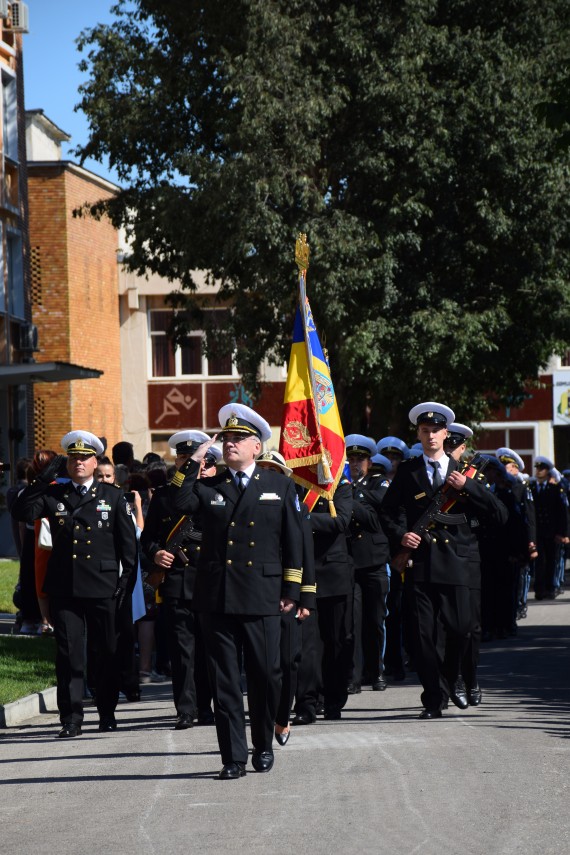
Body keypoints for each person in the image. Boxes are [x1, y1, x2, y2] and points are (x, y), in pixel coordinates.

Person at [169, 404, 303, 779]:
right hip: (218, 597)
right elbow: (178, 501)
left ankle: (262, 744)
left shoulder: (279, 485)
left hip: (263, 596)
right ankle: (232, 758)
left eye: (238, 439)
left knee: (265, 675)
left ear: (256, 447)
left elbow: (294, 541)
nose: (229, 444)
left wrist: (293, 589)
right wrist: (195, 459)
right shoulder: (210, 485)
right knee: (224, 680)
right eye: (225, 439)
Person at [380, 402, 505, 719]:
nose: (431, 435)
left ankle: (453, 678)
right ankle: (434, 698)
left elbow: (498, 514)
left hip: (457, 563)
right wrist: (400, 537)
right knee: (423, 637)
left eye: (436, 430)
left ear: (445, 434)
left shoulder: (464, 474)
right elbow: (387, 512)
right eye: (425, 430)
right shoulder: (408, 472)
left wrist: (470, 488)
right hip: (420, 563)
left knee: (461, 629)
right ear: (419, 434)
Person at [10, 430, 138, 738]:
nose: (78, 462)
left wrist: (125, 586)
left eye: (84, 458)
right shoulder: (55, 495)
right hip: (65, 587)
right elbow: (22, 511)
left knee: (106, 651)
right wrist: (41, 481)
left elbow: (128, 549)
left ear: (95, 462)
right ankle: (71, 717)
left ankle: (106, 711)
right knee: (68, 653)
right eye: (73, 458)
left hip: (103, 586)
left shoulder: (114, 496)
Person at [141, 430, 218, 729]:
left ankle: (207, 706)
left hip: (209, 580)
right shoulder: (163, 497)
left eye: (197, 459)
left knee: (209, 649)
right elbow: (147, 539)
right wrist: (156, 554)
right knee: (182, 650)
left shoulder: (216, 491)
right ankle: (186, 709)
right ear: (177, 460)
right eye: (184, 458)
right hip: (177, 580)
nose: (190, 464)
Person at [255, 450, 315, 747]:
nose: (268, 474)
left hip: (288, 593)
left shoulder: (297, 506)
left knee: (289, 661)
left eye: (274, 470)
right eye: (263, 468)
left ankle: (282, 716)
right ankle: (266, 721)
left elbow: (304, 553)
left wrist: (305, 596)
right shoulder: (249, 506)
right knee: (267, 665)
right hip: (258, 593)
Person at [344, 434, 391, 694]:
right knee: (352, 621)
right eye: (351, 458)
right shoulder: (345, 484)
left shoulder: (379, 482)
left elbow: (382, 507)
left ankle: (377, 670)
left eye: (360, 458)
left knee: (375, 620)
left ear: (369, 461)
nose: (355, 463)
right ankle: (354, 675)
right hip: (351, 560)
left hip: (373, 560)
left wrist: (352, 489)